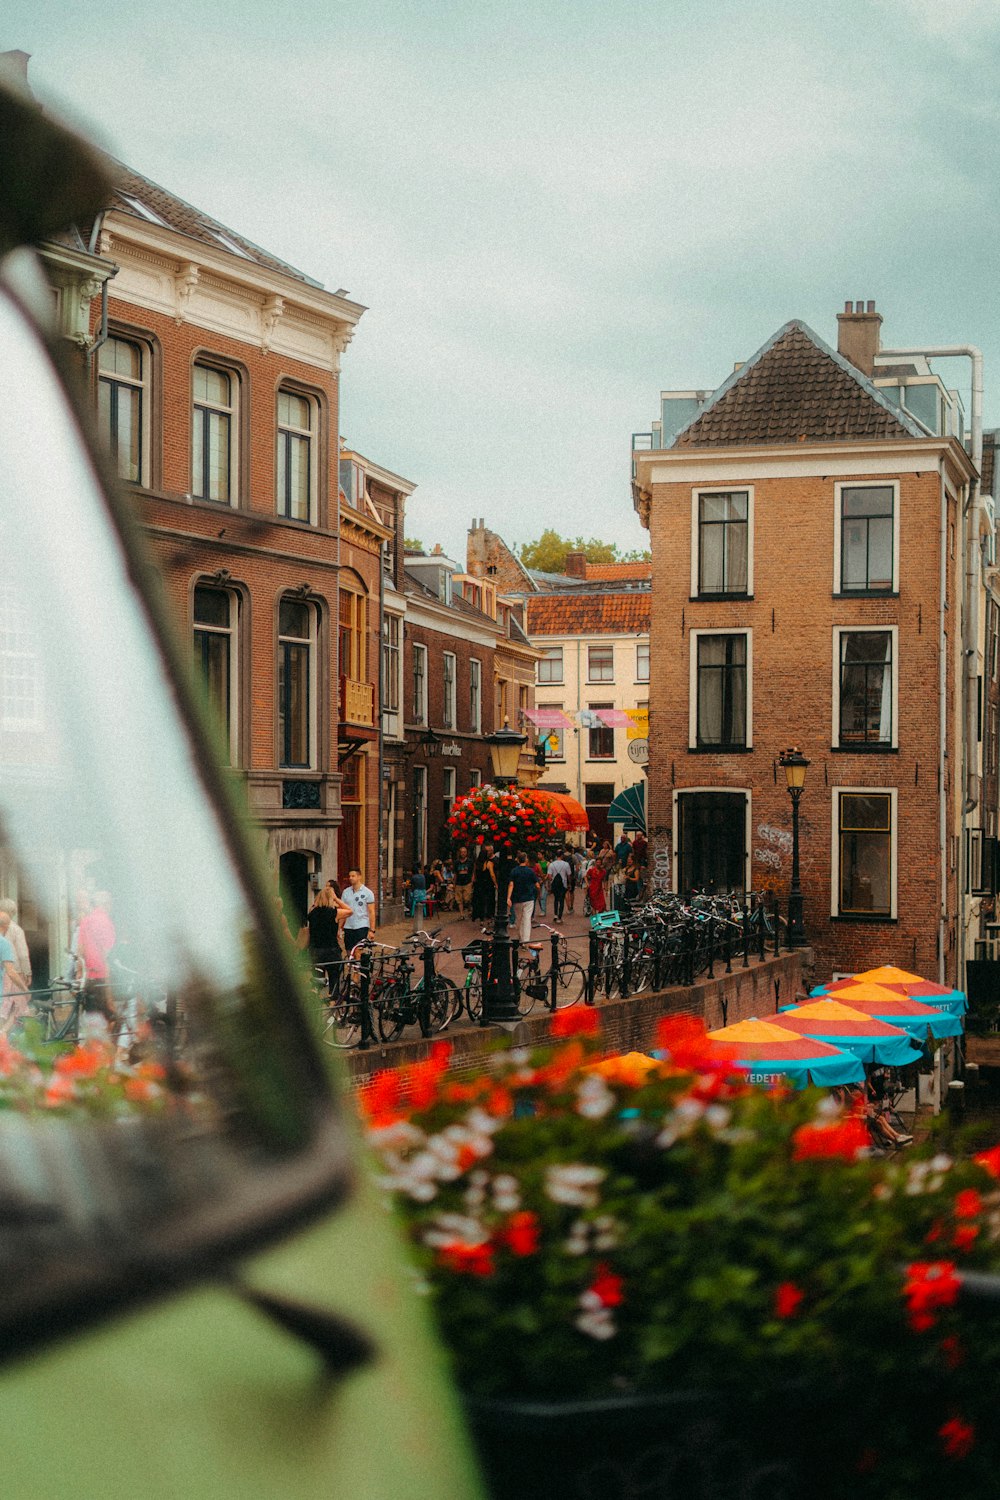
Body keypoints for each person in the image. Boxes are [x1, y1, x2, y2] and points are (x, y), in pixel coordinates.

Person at [299, 883, 351, 991]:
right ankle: (332, 1003)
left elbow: (313, 908)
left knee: (317, 980)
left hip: (315, 951)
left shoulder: (312, 913)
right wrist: (337, 899)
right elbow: (350, 911)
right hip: (331, 951)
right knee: (334, 979)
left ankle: (315, 997)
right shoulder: (334, 913)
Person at [76, 890, 117, 1024]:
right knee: (108, 1019)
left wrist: (80, 972)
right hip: (101, 978)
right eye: (110, 903)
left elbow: (80, 950)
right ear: (107, 904)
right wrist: (109, 994)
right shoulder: (106, 922)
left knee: (91, 1019)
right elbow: (107, 956)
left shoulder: (86, 921)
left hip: (88, 978)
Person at [0, 910, 30, 1036]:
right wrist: (24, 989)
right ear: (6, 927)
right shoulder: (4, 943)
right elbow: (11, 972)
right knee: (13, 1009)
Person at [507, 851, 540, 945]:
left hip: (517, 899)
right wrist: (538, 893)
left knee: (518, 919)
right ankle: (525, 940)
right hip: (529, 898)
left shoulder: (514, 871)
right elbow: (537, 885)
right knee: (526, 919)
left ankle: (520, 937)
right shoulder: (530, 871)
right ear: (526, 860)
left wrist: (508, 897)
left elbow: (511, 885)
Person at [341, 868, 376, 952]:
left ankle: (358, 964)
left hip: (361, 925)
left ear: (359, 877)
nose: (351, 878)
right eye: (350, 876)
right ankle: (351, 964)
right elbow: (342, 911)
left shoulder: (368, 893)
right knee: (349, 950)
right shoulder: (346, 892)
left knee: (358, 950)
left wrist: (372, 930)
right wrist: (339, 928)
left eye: (353, 876)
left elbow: (371, 912)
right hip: (348, 926)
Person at [0, 900, 31, 988]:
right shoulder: (17, 930)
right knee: (16, 1000)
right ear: (13, 912)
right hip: (14, 972)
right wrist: (27, 972)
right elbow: (23, 955)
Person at [471, 844, 497, 921]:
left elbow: (474, 873)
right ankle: (489, 915)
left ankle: (480, 916)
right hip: (487, 884)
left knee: (479, 900)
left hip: (478, 884)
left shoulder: (477, 863)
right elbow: (492, 875)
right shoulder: (489, 863)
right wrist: (496, 883)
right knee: (489, 900)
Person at [547, 850, 571, 923]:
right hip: (563, 884)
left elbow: (549, 876)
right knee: (561, 900)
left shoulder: (552, 864)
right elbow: (569, 875)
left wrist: (550, 883)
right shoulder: (566, 864)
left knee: (556, 899)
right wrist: (569, 883)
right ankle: (559, 917)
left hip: (555, 884)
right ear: (562, 856)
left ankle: (555, 914)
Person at [453, 846, 474, 916]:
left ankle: (469, 909)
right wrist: (454, 884)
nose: (463, 853)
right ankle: (461, 914)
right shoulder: (456, 862)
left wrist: (472, 881)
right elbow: (455, 873)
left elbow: (473, 872)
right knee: (459, 900)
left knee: (467, 898)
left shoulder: (470, 862)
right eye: (462, 852)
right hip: (459, 883)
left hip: (467, 882)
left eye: (464, 852)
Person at [409, 865, 429, 932]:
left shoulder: (413, 877)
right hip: (423, 893)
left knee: (410, 897)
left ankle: (411, 912)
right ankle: (425, 914)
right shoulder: (422, 876)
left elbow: (411, 886)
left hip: (417, 894)